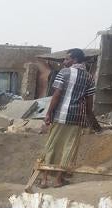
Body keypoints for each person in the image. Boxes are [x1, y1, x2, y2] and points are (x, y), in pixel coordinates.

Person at [38, 48, 100, 187]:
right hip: (77, 118)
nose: (64, 62)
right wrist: (91, 120)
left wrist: (48, 113)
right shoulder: (89, 77)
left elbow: (56, 95)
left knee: (52, 145)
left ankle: (44, 179)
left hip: (60, 115)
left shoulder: (64, 72)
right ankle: (59, 179)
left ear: (75, 60)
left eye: (67, 59)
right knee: (69, 148)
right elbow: (89, 103)